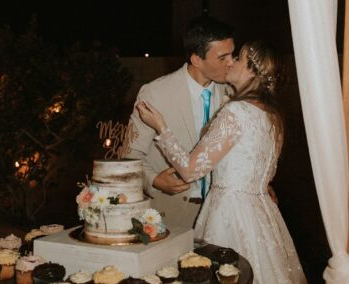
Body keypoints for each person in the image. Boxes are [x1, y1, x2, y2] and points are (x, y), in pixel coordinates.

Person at [136, 41, 307, 283]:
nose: (231, 62)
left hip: (230, 213)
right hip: (262, 213)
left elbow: (190, 170)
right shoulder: (272, 115)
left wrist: (161, 127)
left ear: (251, 71)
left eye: (238, 58)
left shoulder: (236, 112)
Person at [125, 15, 235, 228]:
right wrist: (155, 180)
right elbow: (129, 156)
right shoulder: (155, 93)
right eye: (223, 58)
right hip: (171, 214)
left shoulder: (233, 91)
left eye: (233, 54)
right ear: (196, 59)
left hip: (222, 215)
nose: (231, 63)